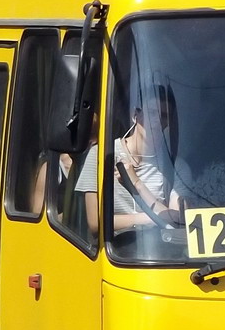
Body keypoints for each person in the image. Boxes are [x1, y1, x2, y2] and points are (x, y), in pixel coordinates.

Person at [74, 95, 175, 236]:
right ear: (135, 115)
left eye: (164, 116)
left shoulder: (171, 164)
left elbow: (176, 220)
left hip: (159, 248)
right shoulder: (101, 155)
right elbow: (95, 222)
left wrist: (137, 183)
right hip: (115, 250)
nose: (157, 121)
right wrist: (147, 219)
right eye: (152, 113)